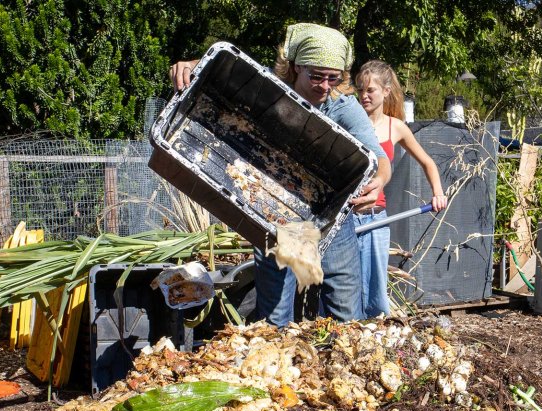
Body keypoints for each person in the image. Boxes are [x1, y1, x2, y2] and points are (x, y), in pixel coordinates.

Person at [169, 23, 391, 327]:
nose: (324, 86)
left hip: (331, 222)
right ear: (296, 66)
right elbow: (226, 69)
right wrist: (190, 65)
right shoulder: (269, 87)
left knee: (347, 317)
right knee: (275, 319)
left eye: (333, 78)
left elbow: (377, 156)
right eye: (316, 76)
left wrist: (379, 180)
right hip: (277, 218)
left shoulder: (342, 105)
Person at [354, 60, 447, 317]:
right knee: (344, 285)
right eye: (360, 89)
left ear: (385, 91)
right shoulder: (349, 122)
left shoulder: (396, 127)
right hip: (346, 218)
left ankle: (374, 336)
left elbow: (428, 162)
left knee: (375, 288)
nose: (364, 95)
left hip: (375, 218)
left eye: (370, 90)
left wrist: (438, 193)